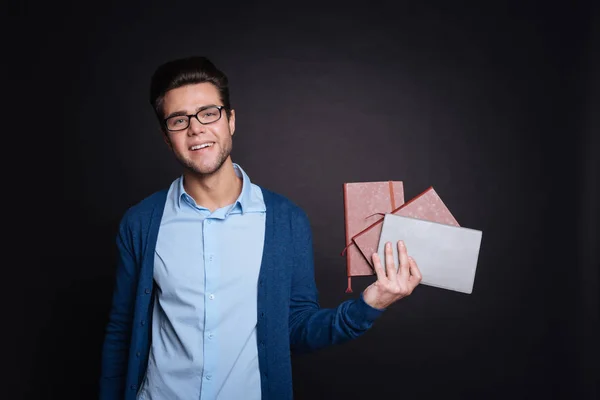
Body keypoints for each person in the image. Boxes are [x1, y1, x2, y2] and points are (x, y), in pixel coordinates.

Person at [99, 56, 422, 400]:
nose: (196, 129)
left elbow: (296, 329)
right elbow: (122, 332)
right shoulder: (141, 222)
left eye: (209, 113)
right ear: (167, 137)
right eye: (179, 120)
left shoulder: (286, 220)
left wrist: (370, 305)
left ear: (231, 120)